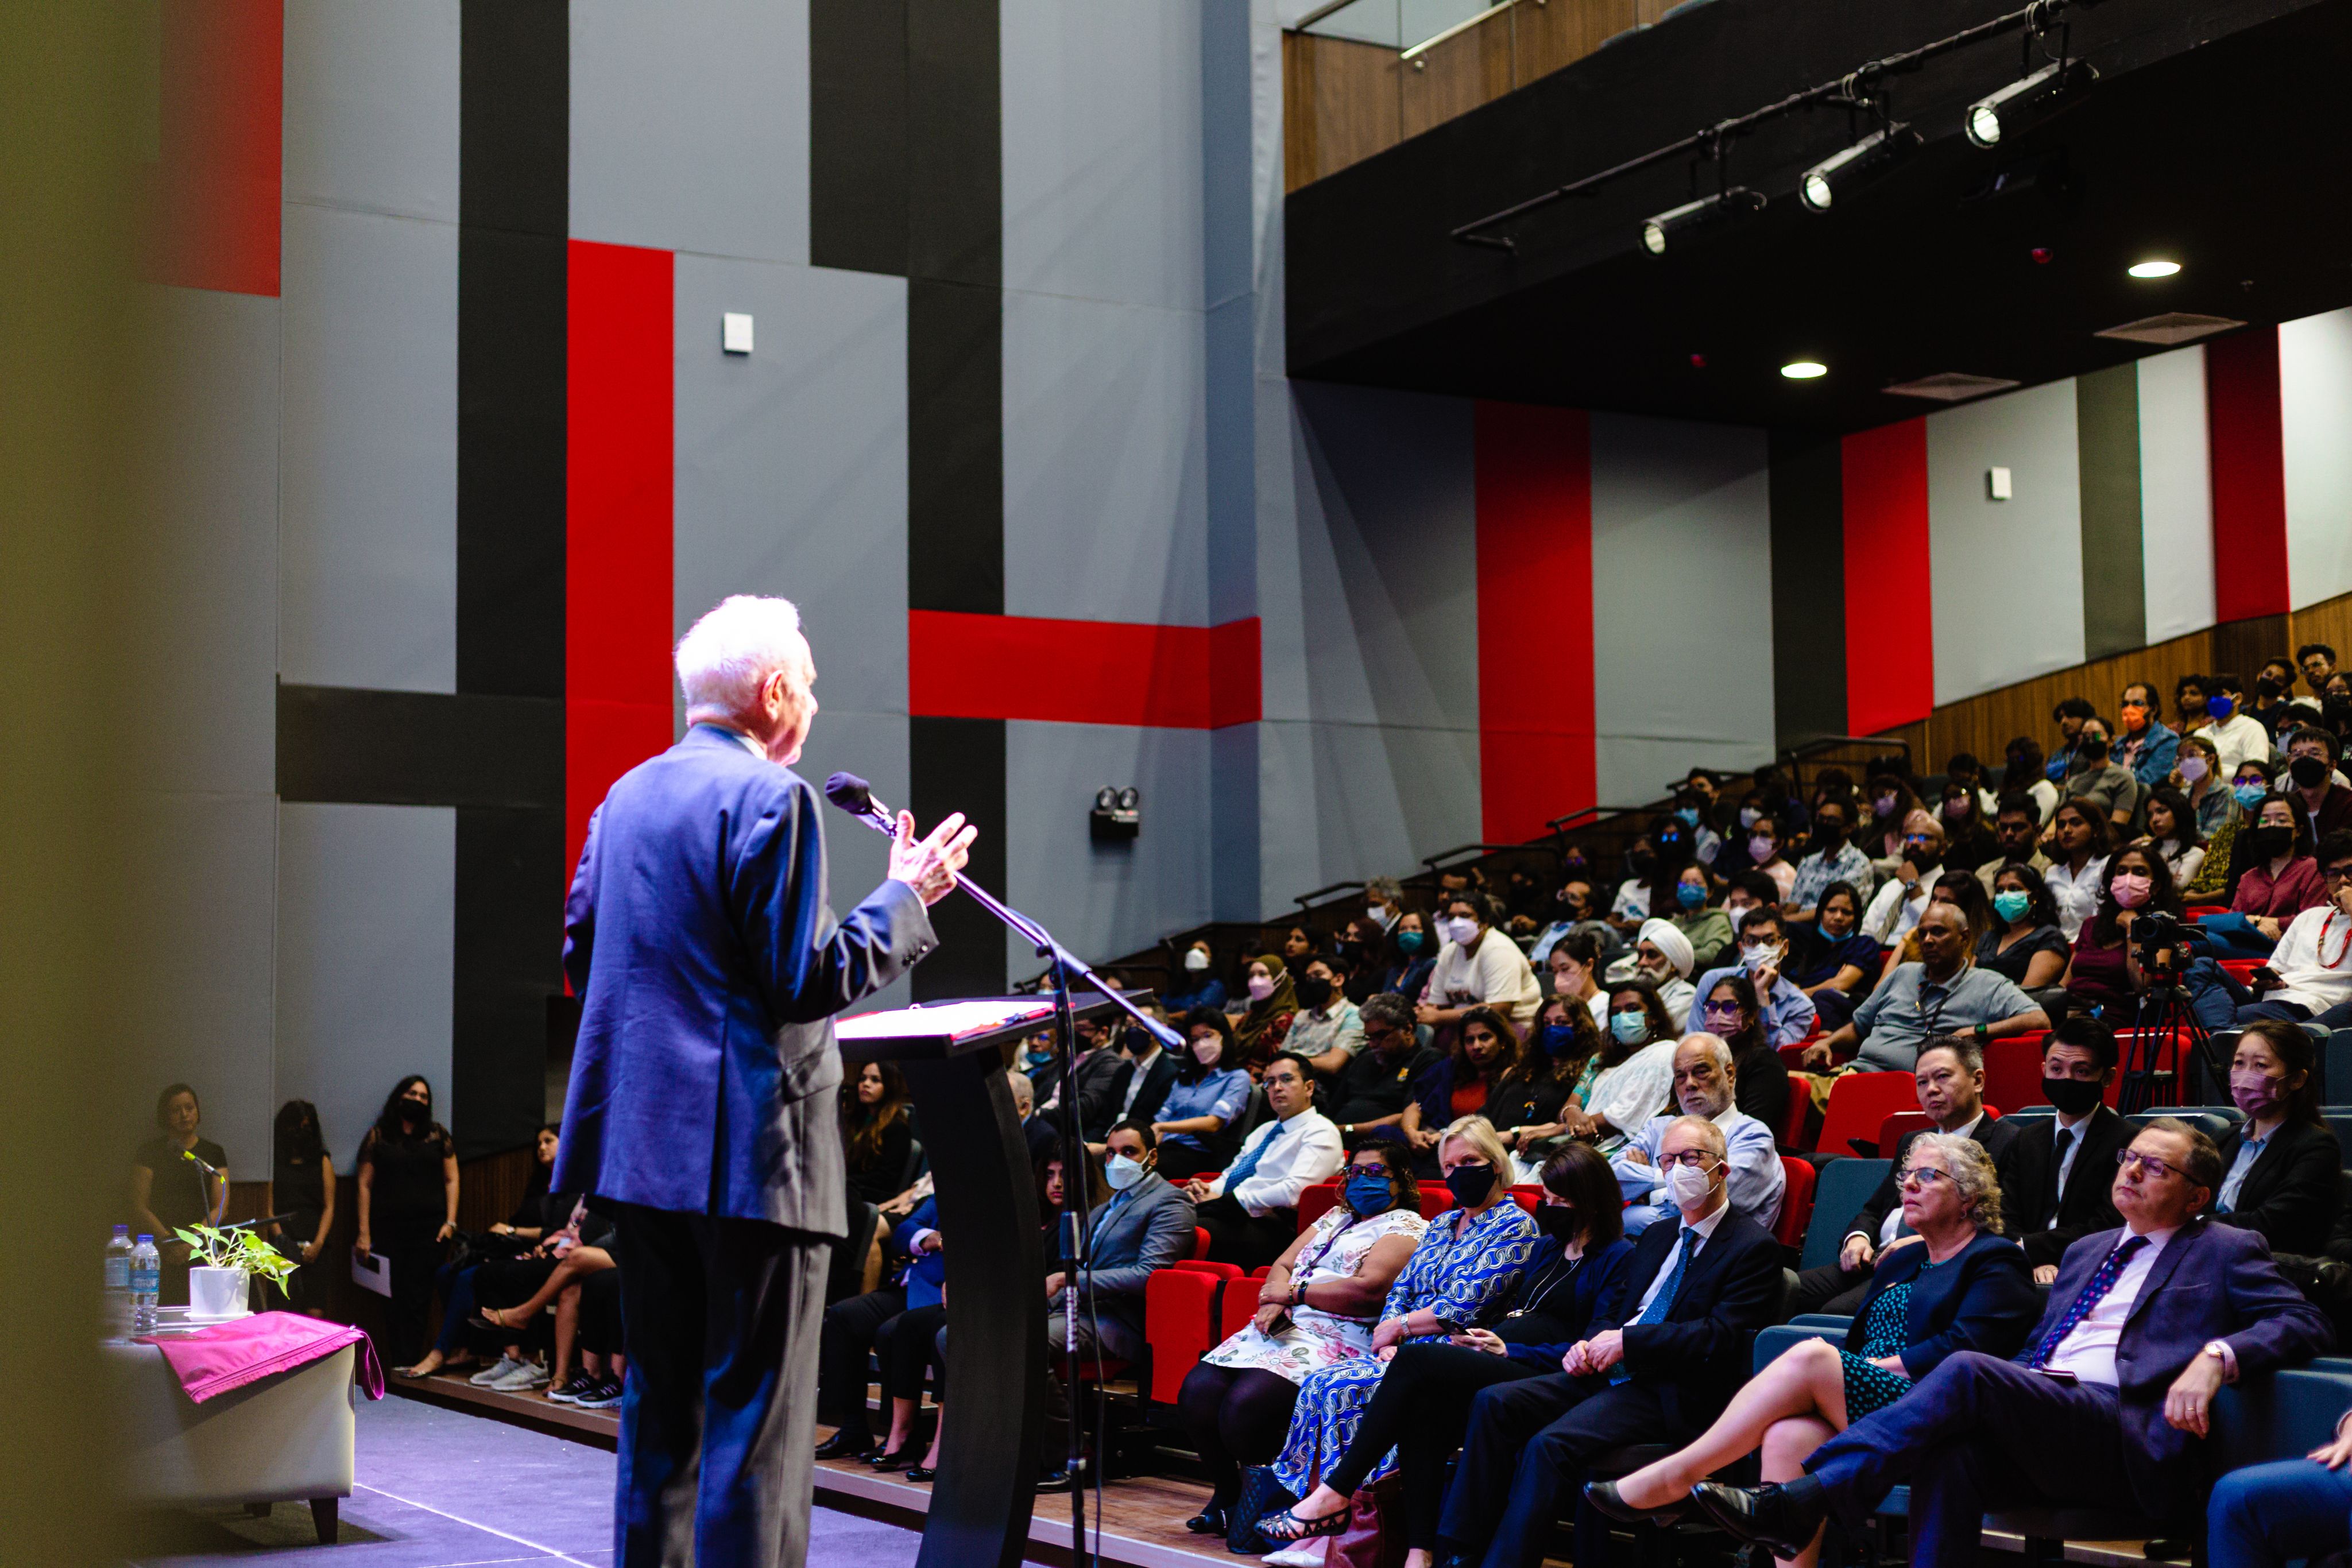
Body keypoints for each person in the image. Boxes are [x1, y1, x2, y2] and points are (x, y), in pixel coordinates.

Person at [552, 593, 972, 1568]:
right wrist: (906, 896)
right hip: (753, 1160)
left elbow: (583, 955)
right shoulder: (769, 800)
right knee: (756, 1440)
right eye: (813, 685)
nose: (816, 704)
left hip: (638, 1157)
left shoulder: (625, 796)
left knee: (659, 1421)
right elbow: (804, 982)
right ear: (775, 689)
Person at [1693, 1120, 2336, 1568]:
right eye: (2128, 1158)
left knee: (1970, 1369)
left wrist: (2216, 1356)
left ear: (2196, 1196)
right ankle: (1806, 1503)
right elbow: (2038, 1351)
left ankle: (1806, 1498)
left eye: (2155, 1166)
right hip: (2050, 1418)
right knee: (1954, 1447)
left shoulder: (2223, 1247)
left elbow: (2302, 1321)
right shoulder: (2086, 1250)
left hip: (2126, 1434)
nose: (2132, 1170)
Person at [1598, 1135, 2038, 1568]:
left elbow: (1967, 1351)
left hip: (1932, 1407)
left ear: (1969, 1195)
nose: (1908, 1186)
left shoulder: (1995, 1260)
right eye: (1906, 1175)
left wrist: (1859, 1369)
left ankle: (1679, 1473)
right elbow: (1862, 1337)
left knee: (1814, 1355)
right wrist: (1853, 1369)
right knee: (1787, 1435)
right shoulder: (1903, 1259)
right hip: (1870, 1394)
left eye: (1928, 1175)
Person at [1242, 1146, 1633, 1563]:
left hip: (1538, 1367)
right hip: (1498, 1349)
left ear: (1589, 1198)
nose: (1551, 1208)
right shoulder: (1550, 1249)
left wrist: (1508, 1346)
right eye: (1548, 1198)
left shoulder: (1617, 1256)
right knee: (1423, 1406)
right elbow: (1515, 1310)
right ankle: (1419, 1553)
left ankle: (1334, 1494)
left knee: (1415, 1363)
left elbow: (1591, 1343)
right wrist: (1485, 1339)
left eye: (1562, 1200)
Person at [1435, 1114, 1787, 1568]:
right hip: (1611, 1371)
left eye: (1690, 1157)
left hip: (1668, 1389)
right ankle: (1458, 1552)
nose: (1678, 1168)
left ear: (1722, 1169)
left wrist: (1628, 1343)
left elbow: (1717, 1336)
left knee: (1548, 1444)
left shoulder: (1752, 1246)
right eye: (1668, 1159)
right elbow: (1616, 1309)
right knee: (1494, 1402)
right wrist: (1590, 1343)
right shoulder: (1658, 1235)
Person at [1251, 1118, 1539, 1547]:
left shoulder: (1516, 1226)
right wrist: (1388, 1336)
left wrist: (1397, 1328)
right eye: (1449, 1164)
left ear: (1496, 1164)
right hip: (1403, 1349)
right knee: (1322, 1384)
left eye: (1470, 1161)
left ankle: (1357, 1531)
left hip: (1457, 1351)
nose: (1459, 1171)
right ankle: (1324, 1530)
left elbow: (1463, 1304)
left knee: (1345, 1388)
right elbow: (1401, 1287)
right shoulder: (1442, 1223)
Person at [1178, 1136, 1427, 1538]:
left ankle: (1269, 1503)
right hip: (1286, 1323)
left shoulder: (1408, 1225)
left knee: (1245, 1407)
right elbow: (1282, 1263)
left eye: (1375, 1172)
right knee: (1196, 1391)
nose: (1363, 1179)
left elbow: (1370, 1290)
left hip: (1342, 1332)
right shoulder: (1333, 1217)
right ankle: (1227, 1495)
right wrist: (1272, 1300)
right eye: (1356, 1171)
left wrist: (1293, 1293)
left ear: (1400, 1181)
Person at [1788, 1039, 2022, 1315]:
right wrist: (1858, 1237)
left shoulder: (2010, 1142)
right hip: (1874, 1258)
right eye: (1922, 1082)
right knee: (1778, 1289)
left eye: (1943, 1077)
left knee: (1833, 1312)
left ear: (1978, 1080)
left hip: (1928, 1265)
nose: (1931, 1089)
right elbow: (1875, 1209)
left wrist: (1922, 1242)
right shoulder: (1913, 1142)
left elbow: (2003, 1226)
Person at [1035, 1120, 1197, 1487]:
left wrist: (1068, 1280)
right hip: (1079, 1313)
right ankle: (1017, 1447)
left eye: (1129, 1152)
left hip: (1118, 1321)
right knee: (972, 1335)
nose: (1117, 1159)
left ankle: (1072, 1456)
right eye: (1110, 1152)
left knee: (1027, 1342)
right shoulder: (1106, 1206)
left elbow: (1149, 1275)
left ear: (1152, 1157)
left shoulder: (1171, 1202)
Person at [1801, 903, 2049, 1074]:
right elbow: (1859, 1027)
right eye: (1923, 934)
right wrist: (1829, 1043)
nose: (1928, 940)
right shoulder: (1903, 973)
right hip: (1855, 1074)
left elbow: (2039, 1019)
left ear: (1964, 938)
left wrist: (1977, 1031)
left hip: (1917, 1090)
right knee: (1790, 1085)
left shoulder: (1988, 983)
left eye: (1938, 932)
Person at [1996, 1017, 2132, 1281]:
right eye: (2057, 1069)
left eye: (2081, 1071)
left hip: (2092, 1267)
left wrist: (2032, 1249)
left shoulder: (2127, 1142)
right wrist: (2026, 1258)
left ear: (2108, 1077)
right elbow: (2003, 1213)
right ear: (2044, 1069)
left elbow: (2110, 1223)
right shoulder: (2026, 1139)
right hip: (2018, 1264)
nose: (2066, 1079)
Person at [1609, 1035, 1784, 1236]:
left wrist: (1644, 1191)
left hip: (1710, 1257)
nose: (1689, 1084)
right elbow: (1609, 1183)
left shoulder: (1753, 1136)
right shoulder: (1659, 1127)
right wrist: (1676, 1181)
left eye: (1701, 1072)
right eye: (1681, 1076)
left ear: (1729, 1074)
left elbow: (1704, 1204)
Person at [1185, 1051, 1345, 1269]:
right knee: (1168, 1217)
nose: (1277, 1087)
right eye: (1270, 1082)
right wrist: (1206, 1190)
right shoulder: (1264, 1130)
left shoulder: (1321, 1131)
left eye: (1286, 1079)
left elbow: (1294, 1192)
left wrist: (1231, 1201)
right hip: (1237, 1214)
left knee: (1184, 1227)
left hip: (1279, 1230)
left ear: (1309, 1087)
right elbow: (1231, 1176)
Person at [2207, 1020, 2341, 1256]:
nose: (2245, 1075)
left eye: (2260, 1065)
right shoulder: (2221, 1140)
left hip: (2264, 1267)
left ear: (2297, 1079)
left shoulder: (2316, 1147)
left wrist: (2192, 1225)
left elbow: (2271, 1224)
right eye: (2239, 1063)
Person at [354, 1076, 458, 1369]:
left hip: (430, 1230)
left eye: (424, 1097)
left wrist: (450, 1221)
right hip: (389, 1230)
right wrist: (364, 1233)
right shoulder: (378, 1136)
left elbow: (452, 1179)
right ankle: (397, 1362)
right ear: (399, 1096)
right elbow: (364, 1185)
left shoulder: (438, 1135)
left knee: (419, 1298)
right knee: (393, 1299)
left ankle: (411, 1362)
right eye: (413, 1094)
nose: (418, 1100)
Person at [2235, 830, 2352, 1027]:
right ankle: (2224, 1034)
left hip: (2316, 1006)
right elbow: (2276, 970)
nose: (2343, 881)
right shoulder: (2308, 917)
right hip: (2276, 999)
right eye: (2333, 874)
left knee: (2242, 1018)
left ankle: (2228, 1037)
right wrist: (2266, 983)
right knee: (2202, 969)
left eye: (2350, 871)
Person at [131, 1083, 228, 1308]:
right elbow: (138, 1204)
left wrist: (192, 1243)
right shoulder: (150, 1152)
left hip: (202, 1247)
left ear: (198, 1112)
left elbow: (220, 1206)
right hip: (160, 1247)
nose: (184, 1115)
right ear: (165, 1116)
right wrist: (169, 1241)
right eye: (176, 1110)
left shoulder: (213, 1153)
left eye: (189, 1108)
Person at [2061, 842, 2180, 1019]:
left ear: (2156, 887)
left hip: (2116, 1018)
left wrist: (2132, 930)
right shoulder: (2091, 925)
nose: (2128, 879)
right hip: (2071, 1012)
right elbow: (2066, 982)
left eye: (2139, 872)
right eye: (2122, 872)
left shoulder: (2165, 929)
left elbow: (2142, 985)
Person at [1486, 997, 1597, 1167]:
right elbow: (1486, 1111)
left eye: (1562, 1022)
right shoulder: (1522, 1070)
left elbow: (1565, 1125)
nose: (1553, 1028)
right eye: (1547, 1023)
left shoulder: (1585, 1076)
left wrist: (1514, 1134)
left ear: (1580, 1028)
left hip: (1529, 1158)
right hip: (1488, 1150)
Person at [1405, 1008, 1521, 1167]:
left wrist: (1447, 1137)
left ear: (1502, 1041)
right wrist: (1412, 1133)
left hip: (1475, 1152)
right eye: (1469, 1040)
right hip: (1433, 1144)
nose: (1477, 1046)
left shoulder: (1513, 1077)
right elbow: (1416, 1106)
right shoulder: (1450, 1069)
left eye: (1485, 1037)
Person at [1324, 993, 1443, 1144]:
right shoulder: (1365, 1058)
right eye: (1369, 1038)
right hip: (1335, 1142)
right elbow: (1332, 1110)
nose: (1373, 1044)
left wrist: (1346, 1130)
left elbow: (1407, 1117)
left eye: (1380, 1036)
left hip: (1384, 1147)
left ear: (1407, 1029)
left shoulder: (1427, 1060)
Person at [1689, 906, 1817, 1047]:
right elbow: (1693, 1035)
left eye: (1770, 941)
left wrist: (1763, 996)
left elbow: (1777, 1053)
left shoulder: (1801, 1006)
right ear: (1742, 950)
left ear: (1785, 947)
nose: (1761, 948)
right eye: (1752, 941)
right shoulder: (1712, 981)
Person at [1577, 981, 1681, 1152]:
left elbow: (1620, 1118)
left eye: (1632, 1009)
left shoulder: (1663, 1053)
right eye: (1616, 1012)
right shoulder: (1603, 1060)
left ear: (1654, 1017)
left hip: (1621, 1151)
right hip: (1582, 1140)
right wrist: (1571, 1113)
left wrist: (1558, 1129)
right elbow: (1572, 1106)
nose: (1623, 1017)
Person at [1151, 1009, 1254, 1181]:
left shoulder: (1237, 1077)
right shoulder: (1184, 1077)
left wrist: (1163, 1127)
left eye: (1208, 1035)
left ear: (1224, 1036)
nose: (1202, 1044)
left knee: (1150, 1171)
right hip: (1166, 1147)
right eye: (1195, 1039)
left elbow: (1213, 1123)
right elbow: (1162, 1118)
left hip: (1198, 1153)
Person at [1419, 892, 1542, 1035]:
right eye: (1452, 917)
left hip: (1514, 1027)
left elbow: (1499, 1010)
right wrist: (1428, 1014)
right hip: (1466, 1025)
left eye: (1465, 916)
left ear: (1484, 922)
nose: (1456, 923)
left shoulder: (1499, 949)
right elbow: (1435, 1006)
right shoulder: (1449, 951)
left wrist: (1439, 1017)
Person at [1698, 973, 1795, 1129]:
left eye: (1729, 1007)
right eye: (1713, 1007)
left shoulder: (1764, 1062)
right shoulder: (1700, 1061)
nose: (1718, 1015)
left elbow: (1753, 1129)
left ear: (1750, 1016)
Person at [269, 1100, 336, 1316]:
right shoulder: (273, 1162)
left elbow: (329, 1206)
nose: (300, 1133)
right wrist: (283, 1243)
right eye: (296, 1126)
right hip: (283, 1243)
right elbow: (268, 1209)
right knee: (283, 1310)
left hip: (315, 1243)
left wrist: (318, 1244)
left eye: (306, 1127)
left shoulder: (322, 1161)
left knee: (315, 1311)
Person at [2233, 790, 2328, 939]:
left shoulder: (2313, 869)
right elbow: (2232, 921)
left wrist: (2265, 922)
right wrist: (2259, 926)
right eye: (2264, 821)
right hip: (2248, 942)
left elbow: (2313, 918)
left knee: (2199, 947)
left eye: (2281, 821)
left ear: (2299, 831)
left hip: (2290, 945)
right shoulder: (2249, 878)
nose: (2272, 826)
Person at [1789, 882, 1877, 1032]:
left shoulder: (1864, 944)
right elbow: (1794, 984)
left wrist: (1801, 994)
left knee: (1824, 997)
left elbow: (1841, 984)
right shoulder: (1811, 947)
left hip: (1846, 1011)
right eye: (1832, 910)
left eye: (1846, 912)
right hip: (1805, 1010)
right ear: (1821, 912)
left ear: (1857, 918)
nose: (1838, 917)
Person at [1978, 863, 2069, 996]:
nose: (2006, 895)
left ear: (2034, 896)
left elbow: (2028, 995)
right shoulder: (1989, 937)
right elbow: (1968, 983)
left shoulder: (2049, 938)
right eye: (2000, 891)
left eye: (2014, 888)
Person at [1860, 812, 1945, 947]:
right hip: (1874, 955)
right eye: (1910, 837)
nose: (1915, 843)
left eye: (1923, 838)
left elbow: (1937, 929)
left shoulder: (1946, 887)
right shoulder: (1891, 886)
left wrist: (1913, 886)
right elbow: (1866, 930)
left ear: (1942, 848)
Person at [1788, 797, 1877, 924]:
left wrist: (1787, 921)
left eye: (1832, 820)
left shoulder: (1858, 864)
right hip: (1798, 928)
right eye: (1821, 818)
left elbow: (1835, 911)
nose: (1824, 824)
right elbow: (1794, 904)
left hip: (1833, 929)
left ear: (1850, 827)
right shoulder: (1809, 862)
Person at [840, 1061, 916, 1206]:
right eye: (862, 1079)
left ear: (889, 1086)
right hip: (849, 1188)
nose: (866, 1084)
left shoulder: (897, 1128)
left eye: (875, 1080)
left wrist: (843, 1180)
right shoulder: (854, 1121)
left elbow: (886, 1178)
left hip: (870, 1196)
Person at [2042, 798, 2112, 940]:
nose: (2067, 830)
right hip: (2054, 946)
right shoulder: (2053, 872)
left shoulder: (2108, 866)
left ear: (2096, 830)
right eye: (2061, 825)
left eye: (2076, 823)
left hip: (2093, 947)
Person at [1287, 956, 1367, 1075]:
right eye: (1309, 978)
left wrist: (1292, 1064)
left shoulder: (1353, 1015)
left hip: (1320, 1085)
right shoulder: (1302, 1016)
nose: (1312, 981)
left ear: (1338, 979)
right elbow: (1282, 1054)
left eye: (1318, 975)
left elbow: (1333, 1064)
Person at [2060, 717, 2142, 830]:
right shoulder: (2074, 782)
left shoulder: (2123, 778)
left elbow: (2117, 826)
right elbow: (2058, 821)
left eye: (2096, 736)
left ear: (2111, 741)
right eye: (2085, 737)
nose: (2090, 741)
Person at [1608, 917, 1697, 1017]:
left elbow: (1664, 1027)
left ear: (1673, 965)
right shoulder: (1637, 993)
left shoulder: (1686, 996)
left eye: (1652, 955)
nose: (1642, 963)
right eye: (1640, 955)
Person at [1973, 793, 2053, 899]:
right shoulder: (1983, 874)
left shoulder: (2052, 874)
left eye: (2018, 827)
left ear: (2037, 830)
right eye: (2003, 828)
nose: (2009, 834)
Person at [2283, 723, 2352, 843]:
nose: (2304, 759)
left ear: (2332, 764)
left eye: (2314, 753)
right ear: (2289, 765)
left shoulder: (2347, 804)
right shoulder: (2287, 807)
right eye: (2297, 754)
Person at [2202, 672, 2276, 777]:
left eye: (2220, 694)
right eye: (2210, 697)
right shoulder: (2201, 734)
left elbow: (2255, 772)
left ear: (2237, 699)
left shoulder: (2252, 729)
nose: (2214, 700)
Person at [1235, 954, 1300, 1067]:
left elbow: (1277, 1064)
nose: (1255, 980)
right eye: (1251, 975)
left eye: (1262, 974)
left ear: (1279, 977)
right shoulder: (1250, 1016)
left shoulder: (1284, 1020)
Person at [2136, 785, 2208, 888]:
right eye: (2150, 815)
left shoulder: (2195, 854)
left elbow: (2178, 886)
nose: (2155, 819)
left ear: (2179, 812)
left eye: (2162, 811)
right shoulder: (2143, 849)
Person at [2114, 682, 2180, 792]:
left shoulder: (2168, 741)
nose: (2129, 710)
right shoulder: (2117, 744)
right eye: (2125, 705)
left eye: (2137, 704)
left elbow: (2146, 780)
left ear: (2153, 709)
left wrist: (2112, 784)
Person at [2175, 731, 2237, 840]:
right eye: (2181, 758)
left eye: (2192, 755)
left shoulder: (2226, 793)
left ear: (2210, 759)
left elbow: (2217, 838)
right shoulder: (2183, 795)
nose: (2186, 762)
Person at [1547, 930, 1608, 1033]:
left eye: (1565, 969)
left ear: (1589, 965)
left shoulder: (1605, 1006)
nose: (1558, 979)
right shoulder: (1558, 1009)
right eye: (1555, 972)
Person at [1933, 784, 1999, 874]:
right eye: (1947, 798)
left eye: (1957, 795)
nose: (1951, 801)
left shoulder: (1985, 833)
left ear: (1972, 797)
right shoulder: (1942, 832)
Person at [1375, 912, 1438, 1004]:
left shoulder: (1431, 966)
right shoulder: (1395, 969)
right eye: (1403, 929)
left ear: (1427, 933)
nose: (1408, 933)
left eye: (1415, 928)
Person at [2000, 737, 2061, 826]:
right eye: (2011, 759)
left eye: (2020, 758)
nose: (2015, 763)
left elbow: (2036, 825)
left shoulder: (2043, 788)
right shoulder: (2007, 789)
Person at [2042, 697, 2097, 784]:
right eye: (2061, 719)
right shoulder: (2056, 755)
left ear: (2085, 718)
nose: (2064, 722)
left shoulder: (2097, 745)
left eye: (2070, 716)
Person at [1163, 939, 1225, 1015]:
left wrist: (1171, 1016)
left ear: (1211, 959)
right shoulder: (1182, 983)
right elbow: (1164, 1003)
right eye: (1192, 949)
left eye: (1202, 951)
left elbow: (1197, 1012)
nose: (1194, 953)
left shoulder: (1215, 986)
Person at [1745, 813, 1798, 901]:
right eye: (1754, 835)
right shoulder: (1753, 871)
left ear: (1779, 843)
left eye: (1765, 835)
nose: (1757, 840)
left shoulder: (1787, 875)